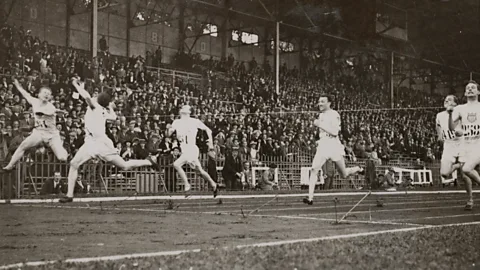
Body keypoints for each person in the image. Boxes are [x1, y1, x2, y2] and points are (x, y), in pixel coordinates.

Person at [59, 79, 156, 203]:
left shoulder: (95, 107)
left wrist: (75, 85)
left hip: (100, 143)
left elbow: (86, 96)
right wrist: (109, 106)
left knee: (124, 166)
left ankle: (148, 162)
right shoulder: (103, 109)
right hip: (91, 142)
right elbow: (114, 117)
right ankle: (69, 195)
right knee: (74, 164)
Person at [303, 95, 364, 205]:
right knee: (314, 169)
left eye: (322, 101)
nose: (320, 103)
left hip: (333, 145)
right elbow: (322, 132)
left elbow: (335, 132)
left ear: (329, 103)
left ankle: (358, 169)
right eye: (319, 101)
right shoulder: (321, 115)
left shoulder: (334, 114)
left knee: (344, 174)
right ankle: (310, 198)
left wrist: (319, 124)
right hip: (323, 145)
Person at [3, 79, 68, 171]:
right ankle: (10, 165)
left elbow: (46, 111)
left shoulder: (50, 106)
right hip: (39, 132)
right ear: (39, 94)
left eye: (49, 94)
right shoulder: (34, 101)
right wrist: (18, 86)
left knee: (62, 158)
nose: (47, 95)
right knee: (23, 145)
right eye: (45, 93)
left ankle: (66, 154)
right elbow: (25, 94)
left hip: (52, 134)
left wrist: (58, 111)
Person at [168, 105, 218, 197]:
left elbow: (208, 130)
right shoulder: (176, 122)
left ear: (189, 112)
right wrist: (169, 129)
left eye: (184, 107)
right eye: (181, 107)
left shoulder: (194, 121)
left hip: (192, 148)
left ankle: (187, 185)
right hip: (184, 149)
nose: (181, 108)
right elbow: (169, 133)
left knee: (176, 164)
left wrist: (210, 142)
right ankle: (213, 184)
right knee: (199, 171)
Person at [437, 95, 474, 210]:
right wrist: (439, 135)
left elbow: (470, 128)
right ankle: (458, 166)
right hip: (448, 146)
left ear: (455, 104)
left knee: (464, 175)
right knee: (444, 174)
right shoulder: (440, 115)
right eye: (445, 99)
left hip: (462, 145)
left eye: (449, 100)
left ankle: (470, 200)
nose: (446, 101)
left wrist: (462, 132)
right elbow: (438, 126)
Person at [449, 81, 480, 210]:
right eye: (468, 88)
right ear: (465, 92)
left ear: (478, 92)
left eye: (473, 88)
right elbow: (451, 126)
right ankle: (470, 200)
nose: (470, 89)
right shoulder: (459, 108)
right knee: (465, 174)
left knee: (467, 169)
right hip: (465, 144)